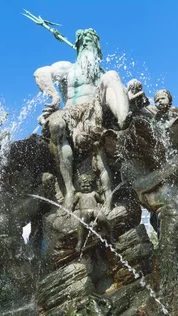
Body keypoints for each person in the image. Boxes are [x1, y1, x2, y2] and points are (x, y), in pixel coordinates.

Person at [34, 28, 130, 210]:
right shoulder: (67, 68)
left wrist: (129, 92)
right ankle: (69, 189)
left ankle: (123, 120)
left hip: (94, 112)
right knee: (55, 124)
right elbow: (40, 73)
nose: (87, 44)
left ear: (98, 49)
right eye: (83, 41)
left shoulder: (102, 76)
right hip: (69, 110)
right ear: (77, 47)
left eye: (91, 42)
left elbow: (118, 92)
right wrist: (54, 96)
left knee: (112, 75)